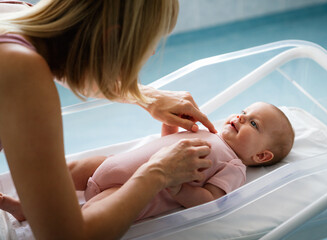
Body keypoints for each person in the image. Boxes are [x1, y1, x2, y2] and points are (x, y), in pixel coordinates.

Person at [0, 1, 218, 239]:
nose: (152, 52)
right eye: (149, 44)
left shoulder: (16, 11)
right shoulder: (21, 71)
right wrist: (157, 172)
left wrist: (147, 97)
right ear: (110, 39)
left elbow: (69, 65)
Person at [0, 102, 295, 222]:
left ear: (261, 156)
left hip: (135, 189)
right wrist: (170, 126)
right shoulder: (210, 132)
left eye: (252, 124)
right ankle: (30, 200)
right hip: (115, 163)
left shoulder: (233, 168)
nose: (240, 117)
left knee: (91, 211)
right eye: (244, 112)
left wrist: (180, 189)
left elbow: (212, 201)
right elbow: (166, 142)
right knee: (70, 170)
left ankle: (30, 215)